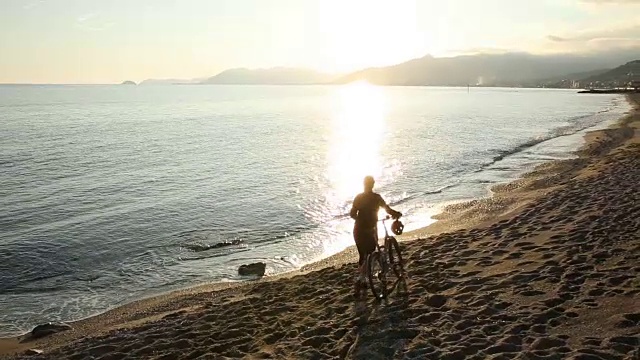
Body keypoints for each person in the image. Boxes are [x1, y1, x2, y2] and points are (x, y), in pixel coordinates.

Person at [349, 175, 401, 290]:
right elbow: (387, 209)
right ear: (373, 184)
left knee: (363, 255)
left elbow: (352, 214)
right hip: (371, 229)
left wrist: (360, 220)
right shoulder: (377, 198)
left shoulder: (358, 197)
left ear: (363, 184)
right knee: (370, 252)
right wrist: (396, 214)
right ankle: (364, 277)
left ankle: (362, 279)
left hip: (358, 230)